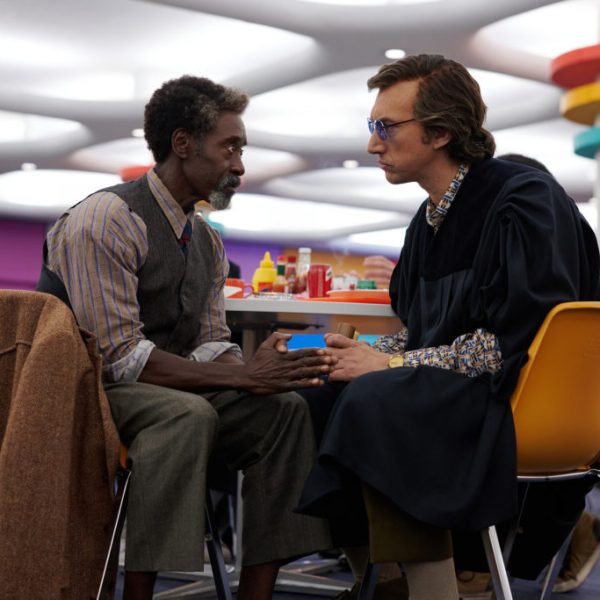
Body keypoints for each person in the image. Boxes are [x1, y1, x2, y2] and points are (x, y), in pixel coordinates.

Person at [296, 54, 600, 600]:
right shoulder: (428, 220)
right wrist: (347, 352)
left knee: (377, 399)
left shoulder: (521, 201)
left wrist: (389, 363)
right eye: (372, 126)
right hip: (458, 390)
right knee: (315, 393)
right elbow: (423, 332)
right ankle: (382, 580)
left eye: (385, 126)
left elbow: (515, 345)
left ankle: (431, 591)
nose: (372, 143)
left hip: (518, 398)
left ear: (440, 133)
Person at [36, 75, 334, 600]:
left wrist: (260, 370)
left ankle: (257, 594)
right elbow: (118, 358)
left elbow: (211, 340)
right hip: (89, 391)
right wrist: (242, 376)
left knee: (285, 410)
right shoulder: (106, 219)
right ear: (183, 143)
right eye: (230, 147)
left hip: (164, 388)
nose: (239, 165)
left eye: (241, 150)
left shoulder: (207, 242)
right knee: (186, 415)